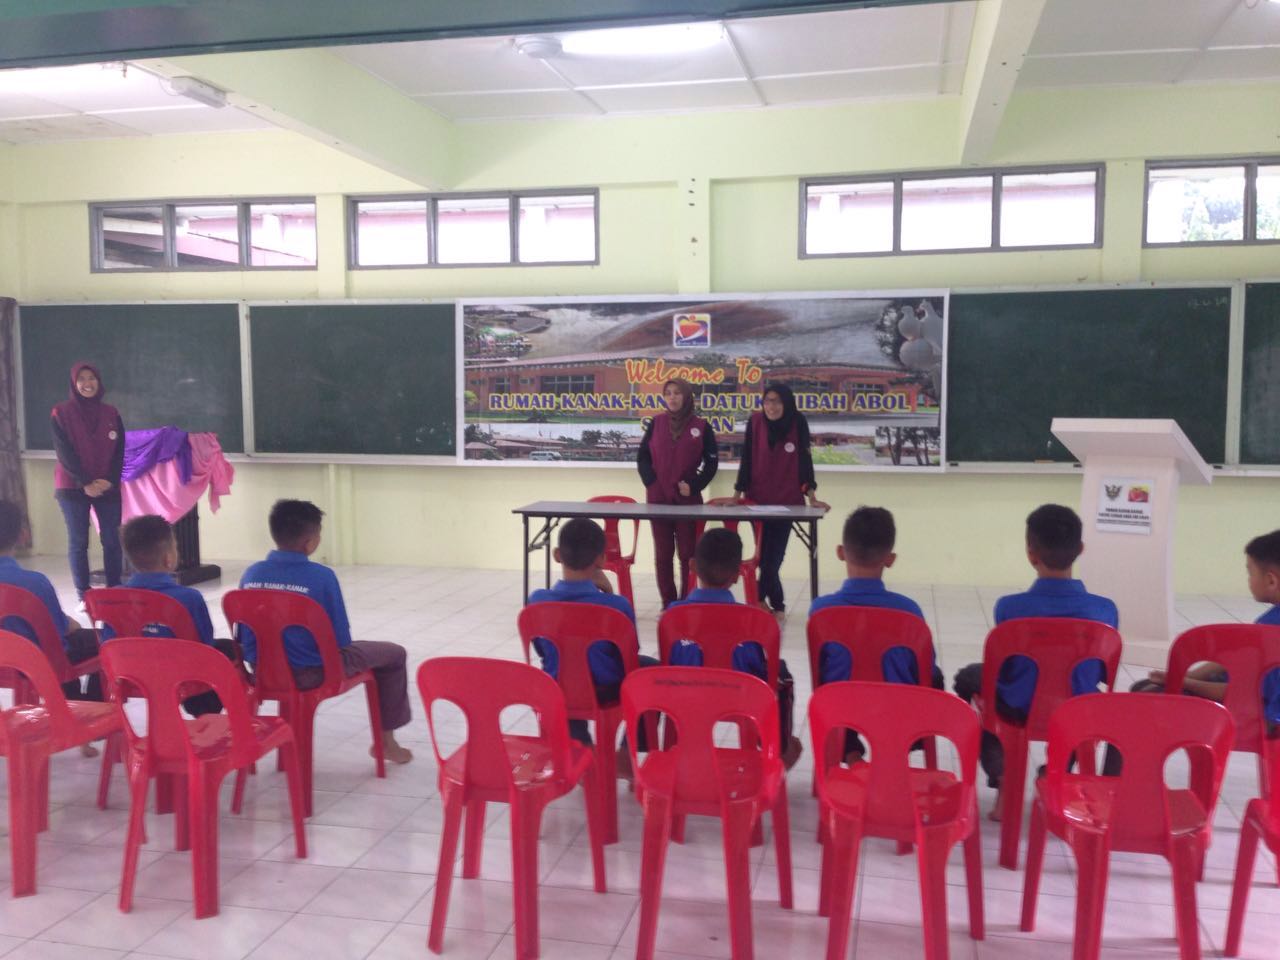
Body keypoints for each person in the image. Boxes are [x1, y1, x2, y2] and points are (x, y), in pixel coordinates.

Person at [952, 504, 1118, 819]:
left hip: (1018, 707)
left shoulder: (1009, 608)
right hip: (1076, 708)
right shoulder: (1104, 611)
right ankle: (1055, 771)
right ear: (1080, 550)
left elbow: (1004, 669)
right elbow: (1100, 673)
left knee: (974, 682)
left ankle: (1004, 779)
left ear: (1031, 554)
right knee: (1081, 699)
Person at [239, 500, 413, 763]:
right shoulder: (322, 577)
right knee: (394, 654)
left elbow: (243, 637)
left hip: (261, 672)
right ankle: (387, 743)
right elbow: (341, 641)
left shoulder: (251, 574)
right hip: (313, 674)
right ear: (310, 543)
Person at [809, 506, 943, 759]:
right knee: (933, 677)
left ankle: (850, 753)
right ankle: (896, 752)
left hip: (840, 708)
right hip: (897, 709)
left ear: (840, 552)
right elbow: (924, 667)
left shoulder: (820, 610)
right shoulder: (908, 611)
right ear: (890, 559)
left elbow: (820, 667)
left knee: (838, 683)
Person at [664, 527, 802, 767]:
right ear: (738, 574)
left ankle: (664, 752)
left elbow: (670, 660)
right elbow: (756, 666)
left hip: (683, 696)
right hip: (739, 698)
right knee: (780, 671)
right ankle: (779, 746)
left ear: (693, 566)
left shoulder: (673, 614)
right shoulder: (752, 620)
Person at [528, 517, 656, 747]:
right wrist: (608, 594)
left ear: (557, 555)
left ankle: (579, 744)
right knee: (653, 672)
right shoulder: (616, 606)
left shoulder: (537, 601)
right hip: (605, 689)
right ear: (601, 559)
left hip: (556, 685)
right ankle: (629, 751)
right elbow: (628, 654)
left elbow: (541, 649)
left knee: (566, 667)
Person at [1131, 529, 1280, 725]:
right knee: (1148, 688)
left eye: (1250, 573)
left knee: (1146, 696)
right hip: (1243, 691)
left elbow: (1246, 694)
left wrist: (1185, 682)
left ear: (1271, 581)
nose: (1249, 580)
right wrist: (1185, 676)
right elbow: (1239, 655)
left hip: (1259, 719)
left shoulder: (1270, 631)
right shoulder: (1269, 624)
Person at [0, 499, 102, 754]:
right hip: (41, 663)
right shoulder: (34, 582)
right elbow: (58, 631)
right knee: (104, 641)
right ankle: (88, 717)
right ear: (23, 535)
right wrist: (70, 623)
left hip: (5, 663)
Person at [117, 514, 238, 717]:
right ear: (169, 558)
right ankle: (205, 718)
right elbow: (204, 644)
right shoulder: (188, 598)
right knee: (227, 650)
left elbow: (109, 641)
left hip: (133, 673)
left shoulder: (112, 598)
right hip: (182, 676)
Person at [734, 383, 827, 616]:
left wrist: (812, 496)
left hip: (787, 502)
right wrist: (737, 494)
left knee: (773, 558)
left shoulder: (798, 422)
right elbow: (747, 458)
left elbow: (805, 461)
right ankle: (778, 604)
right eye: (767, 401)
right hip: (757, 501)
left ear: (786, 403)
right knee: (764, 557)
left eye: (776, 401)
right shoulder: (755, 422)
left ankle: (756, 600)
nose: (771, 406)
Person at [636, 379, 717, 608]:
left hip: (687, 500)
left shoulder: (701, 426)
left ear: (687, 396)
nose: (672, 397)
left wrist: (695, 485)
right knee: (663, 555)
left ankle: (687, 603)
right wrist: (651, 482)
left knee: (687, 555)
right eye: (668, 393)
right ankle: (668, 603)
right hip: (658, 499)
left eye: (677, 393)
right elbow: (643, 457)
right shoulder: (656, 423)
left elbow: (711, 463)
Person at [51, 362, 125, 608]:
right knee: (79, 541)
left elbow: (120, 450)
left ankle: (115, 590)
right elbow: (64, 452)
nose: (87, 383)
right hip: (72, 487)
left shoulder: (111, 413)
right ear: (74, 384)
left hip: (106, 486)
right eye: (81, 379)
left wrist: (110, 479)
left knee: (112, 540)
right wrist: (84, 482)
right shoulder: (61, 413)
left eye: (91, 377)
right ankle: (84, 595)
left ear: (98, 381)